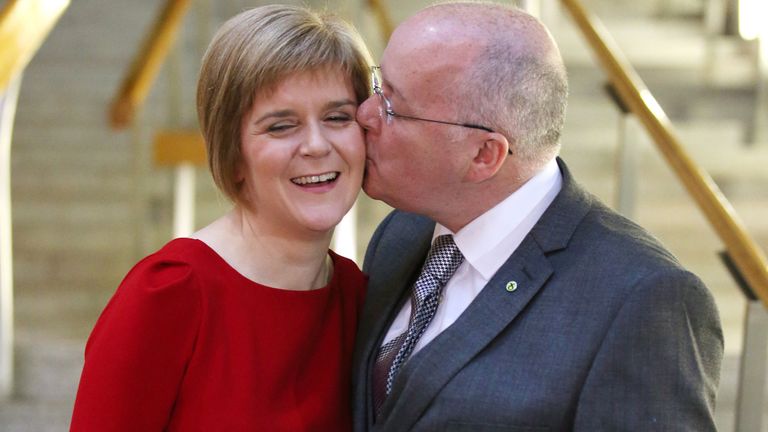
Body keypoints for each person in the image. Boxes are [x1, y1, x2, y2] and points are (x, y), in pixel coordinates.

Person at [352, 2, 723, 431]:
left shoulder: (645, 302)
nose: (364, 114)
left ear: (483, 154)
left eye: (393, 107)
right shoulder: (402, 232)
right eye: (378, 86)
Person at [71, 5, 371, 431]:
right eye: (280, 126)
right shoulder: (169, 295)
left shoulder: (358, 297)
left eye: (338, 117)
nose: (316, 145)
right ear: (233, 156)